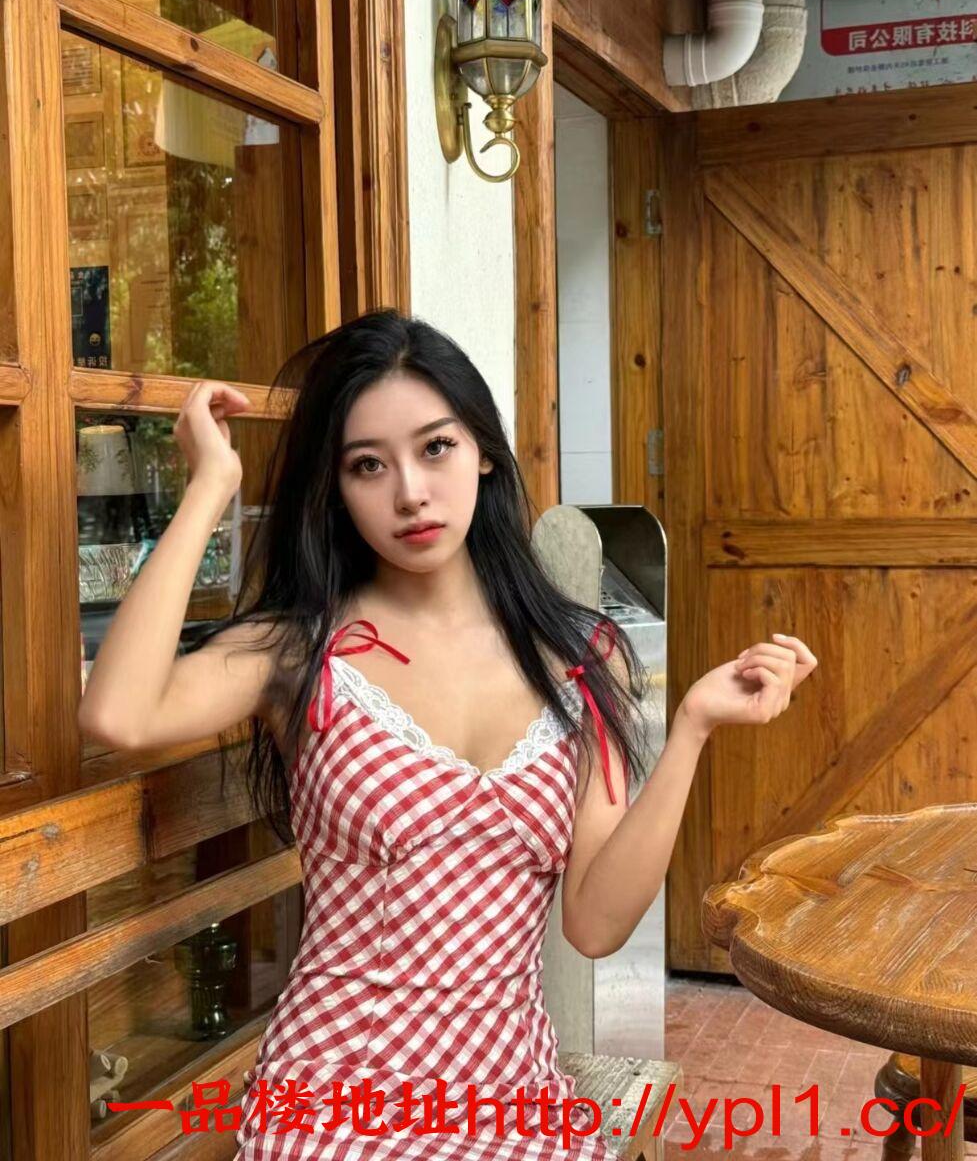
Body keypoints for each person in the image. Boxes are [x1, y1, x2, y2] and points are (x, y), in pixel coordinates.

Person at [78, 309, 818, 1159]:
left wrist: (690, 729)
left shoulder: (581, 656)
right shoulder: (300, 650)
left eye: (435, 448)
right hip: (337, 1097)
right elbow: (118, 714)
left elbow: (594, 925)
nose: (409, 493)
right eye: (367, 465)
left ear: (483, 452)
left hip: (510, 1097)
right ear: (335, 487)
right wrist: (211, 487)